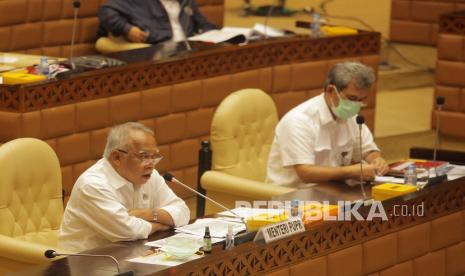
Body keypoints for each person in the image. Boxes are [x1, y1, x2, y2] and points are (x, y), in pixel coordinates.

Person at [59, 122, 190, 252]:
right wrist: (161, 225)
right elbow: (129, 231)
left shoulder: (150, 176)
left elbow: (182, 212)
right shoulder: (92, 185)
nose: (151, 164)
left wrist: (148, 214)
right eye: (143, 156)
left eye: (154, 156)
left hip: (133, 255)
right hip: (90, 263)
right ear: (117, 157)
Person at [266, 61, 389, 186]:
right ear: (331, 91)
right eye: (352, 98)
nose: (356, 105)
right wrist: (350, 172)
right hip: (292, 196)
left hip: (332, 190)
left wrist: (376, 160)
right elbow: (306, 173)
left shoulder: (351, 118)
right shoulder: (298, 121)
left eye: (361, 100)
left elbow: (368, 151)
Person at [97, 0, 217, 44]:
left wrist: (219, 36)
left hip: (188, 51)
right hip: (158, 53)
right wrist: (126, 29)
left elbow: (203, 24)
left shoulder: (186, 2)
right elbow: (106, 11)